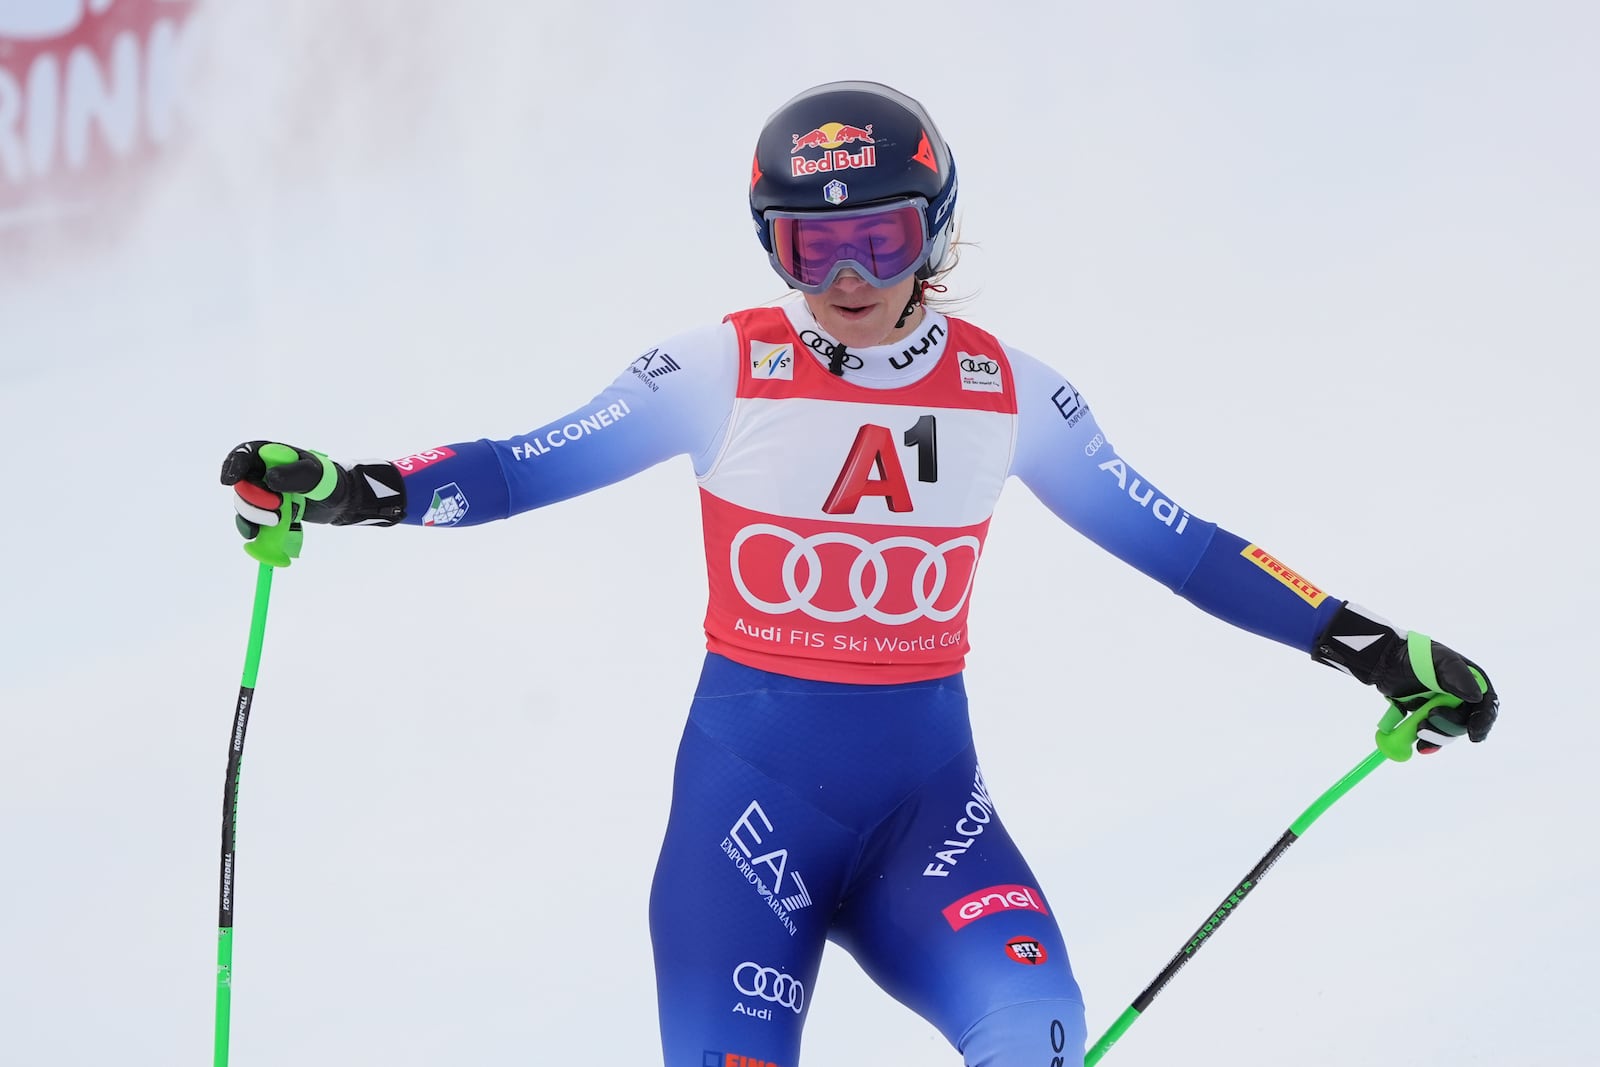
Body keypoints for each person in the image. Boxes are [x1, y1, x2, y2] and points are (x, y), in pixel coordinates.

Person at [221, 80, 1498, 1067]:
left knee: (1038, 1028)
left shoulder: (1013, 391)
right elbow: (517, 465)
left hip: (928, 824)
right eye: (804, 246)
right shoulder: (720, 367)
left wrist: (1366, 643)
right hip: (745, 828)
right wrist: (359, 489)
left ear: (933, 234)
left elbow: (1185, 546)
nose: (843, 279)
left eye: (879, 242)